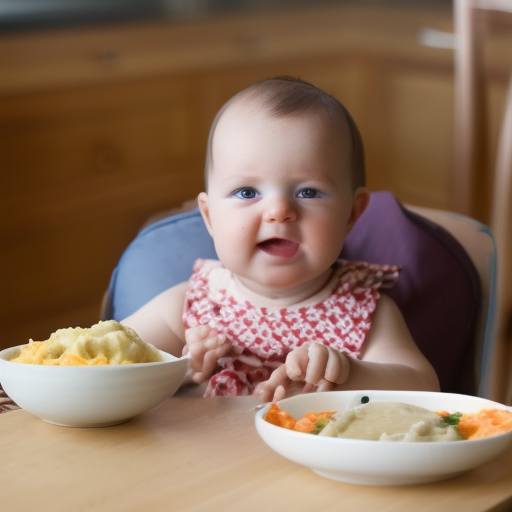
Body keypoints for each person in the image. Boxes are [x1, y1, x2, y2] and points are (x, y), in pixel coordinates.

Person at [122, 76, 440, 401]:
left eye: (308, 192)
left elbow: (424, 387)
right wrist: (179, 370)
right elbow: (110, 363)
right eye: (247, 192)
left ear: (351, 215)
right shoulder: (190, 307)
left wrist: (348, 373)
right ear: (209, 216)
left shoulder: (362, 309)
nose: (279, 211)